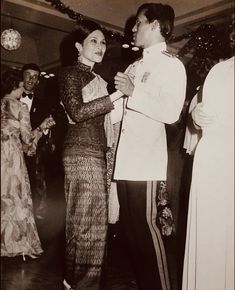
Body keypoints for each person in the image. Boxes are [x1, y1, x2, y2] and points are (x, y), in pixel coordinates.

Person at [112, 3, 187, 290]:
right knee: (131, 234)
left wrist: (134, 92)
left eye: (139, 23)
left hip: (146, 163)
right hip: (126, 162)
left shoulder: (171, 65)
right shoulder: (135, 65)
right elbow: (119, 109)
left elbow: (171, 113)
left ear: (156, 26)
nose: (133, 28)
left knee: (147, 232)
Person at [59, 20, 122, 290]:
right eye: (93, 41)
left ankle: (76, 282)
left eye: (103, 42)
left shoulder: (99, 79)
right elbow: (78, 111)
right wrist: (118, 95)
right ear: (78, 46)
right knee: (88, 226)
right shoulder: (69, 74)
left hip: (96, 153)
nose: (100, 46)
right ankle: (84, 285)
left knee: (88, 224)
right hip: (81, 153)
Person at [182, 26, 234, 290]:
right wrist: (196, 116)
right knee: (212, 245)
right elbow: (204, 114)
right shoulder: (221, 71)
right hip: (214, 164)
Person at [1, 69, 55, 260]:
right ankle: (19, 244)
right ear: (17, 86)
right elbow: (27, 139)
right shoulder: (20, 106)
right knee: (16, 198)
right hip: (12, 158)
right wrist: (42, 127)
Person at [20, 63, 55, 219]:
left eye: (35, 76)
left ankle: (36, 217)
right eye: (28, 74)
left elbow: (48, 127)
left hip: (35, 152)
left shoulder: (44, 104)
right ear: (22, 76)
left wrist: (42, 133)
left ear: (38, 81)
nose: (31, 79)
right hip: (13, 149)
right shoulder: (9, 100)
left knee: (37, 184)